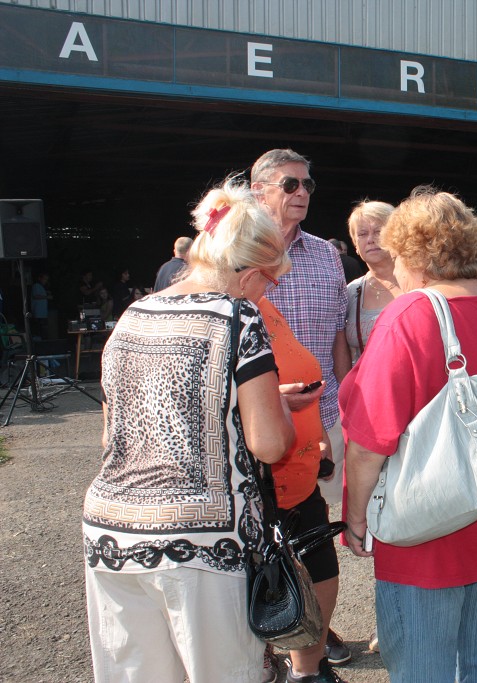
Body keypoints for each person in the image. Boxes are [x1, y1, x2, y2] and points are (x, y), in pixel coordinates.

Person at [82, 176, 296, 683]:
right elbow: (269, 444)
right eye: (271, 278)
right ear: (247, 273)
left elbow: (112, 433)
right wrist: (282, 407)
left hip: (111, 528)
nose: (271, 290)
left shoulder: (132, 315)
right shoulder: (238, 318)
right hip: (203, 543)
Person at [340, 186, 477, 683]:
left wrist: (356, 516)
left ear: (413, 253)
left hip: (425, 522)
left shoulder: (409, 315)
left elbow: (368, 443)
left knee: (421, 667)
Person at [251, 148, 353, 670]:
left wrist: (342, 399)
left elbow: (337, 333)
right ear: (258, 191)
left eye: (309, 185)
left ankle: (309, 630)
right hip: (253, 421)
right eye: (291, 184)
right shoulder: (232, 251)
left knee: (315, 528)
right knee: (257, 528)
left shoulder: (324, 253)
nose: (303, 193)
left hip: (321, 416)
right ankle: (272, 630)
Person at [257, 295, 347, 683]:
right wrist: (273, 403)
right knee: (263, 583)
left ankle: (308, 670)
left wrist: (318, 433)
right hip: (256, 484)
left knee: (320, 570)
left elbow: (299, 369)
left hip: (300, 474)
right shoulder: (216, 313)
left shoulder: (261, 303)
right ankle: (268, 662)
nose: (276, 277)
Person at [343, 201, 397, 364]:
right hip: (366, 387)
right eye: (362, 234)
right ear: (356, 245)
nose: (370, 240)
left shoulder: (419, 285)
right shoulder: (351, 291)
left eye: (378, 231)